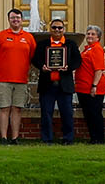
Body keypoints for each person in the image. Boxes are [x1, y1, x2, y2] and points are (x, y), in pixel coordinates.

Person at [0, 9, 36, 143]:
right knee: (4, 108)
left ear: (22, 20)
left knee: (17, 109)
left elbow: (33, 56)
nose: (15, 20)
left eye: (18, 18)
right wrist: (0, 64)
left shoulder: (28, 37)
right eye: (13, 18)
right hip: (4, 79)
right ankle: (3, 137)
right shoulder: (1, 36)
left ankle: (15, 137)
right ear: (9, 20)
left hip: (21, 79)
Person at [34, 16, 79, 144]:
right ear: (50, 29)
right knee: (46, 114)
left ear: (63, 29)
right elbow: (35, 59)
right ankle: (47, 138)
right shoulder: (43, 44)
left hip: (64, 85)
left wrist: (68, 67)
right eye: (54, 27)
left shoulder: (70, 44)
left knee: (67, 113)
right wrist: (42, 66)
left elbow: (77, 61)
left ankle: (68, 138)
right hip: (47, 85)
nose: (57, 30)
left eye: (60, 27)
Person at [76, 24, 105, 144]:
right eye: (88, 33)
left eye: (93, 34)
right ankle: (93, 138)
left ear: (98, 38)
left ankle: (99, 138)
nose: (90, 36)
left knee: (95, 114)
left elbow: (99, 69)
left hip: (93, 87)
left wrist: (94, 86)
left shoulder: (96, 49)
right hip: (83, 87)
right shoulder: (87, 49)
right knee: (89, 114)